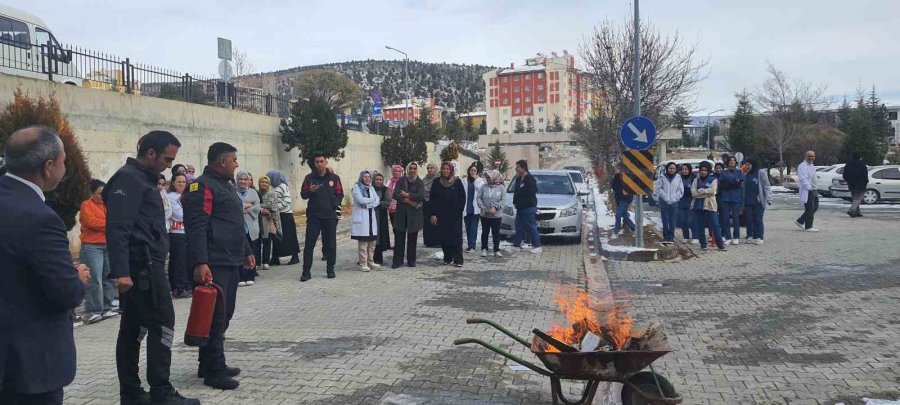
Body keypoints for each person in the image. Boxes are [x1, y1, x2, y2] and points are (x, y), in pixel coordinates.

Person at [105, 130, 198, 404]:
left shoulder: (143, 180)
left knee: (134, 328)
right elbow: (118, 229)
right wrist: (121, 271)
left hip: (147, 265)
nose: (169, 165)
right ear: (150, 153)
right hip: (142, 268)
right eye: (167, 159)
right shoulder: (128, 179)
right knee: (162, 325)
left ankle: (132, 393)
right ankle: (161, 390)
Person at [0, 126, 90, 405]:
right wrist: (78, 278)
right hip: (27, 365)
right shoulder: (40, 218)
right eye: (64, 161)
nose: (65, 168)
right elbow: (64, 292)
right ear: (48, 167)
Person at [183, 142, 255, 390]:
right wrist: (201, 261)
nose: (236, 164)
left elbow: (234, 222)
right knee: (214, 315)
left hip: (230, 257)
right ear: (222, 161)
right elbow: (197, 226)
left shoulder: (226, 185)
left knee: (223, 313)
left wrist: (246, 250)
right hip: (213, 261)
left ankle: (209, 362)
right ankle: (214, 371)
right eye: (233, 160)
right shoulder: (200, 186)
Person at [79, 178, 120, 324]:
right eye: (99, 193)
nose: (102, 196)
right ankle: (92, 311)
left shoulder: (108, 205)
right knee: (94, 278)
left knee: (108, 277)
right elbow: (92, 223)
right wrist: (110, 224)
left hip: (107, 244)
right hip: (92, 246)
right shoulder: (86, 205)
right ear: (92, 193)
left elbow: (117, 220)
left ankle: (106, 307)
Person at [299, 154, 344, 281]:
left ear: (326, 162)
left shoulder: (334, 178)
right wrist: (310, 191)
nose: (319, 164)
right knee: (309, 244)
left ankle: (330, 269)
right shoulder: (309, 178)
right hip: (314, 216)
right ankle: (306, 271)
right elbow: (303, 194)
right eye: (317, 161)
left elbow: (340, 194)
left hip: (329, 216)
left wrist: (333, 204)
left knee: (330, 244)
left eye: (321, 161)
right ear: (314, 163)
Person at [428, 161, 466, 267]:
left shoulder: (457, 182)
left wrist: (459, 210)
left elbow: (462, 197)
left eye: (447, 169)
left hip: (454, 216)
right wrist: (433, 214)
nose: (445, 171)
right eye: (444, 169)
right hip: (441, 215)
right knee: (444, 237)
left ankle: (458, 259)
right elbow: (432, 199)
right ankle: (447, 258)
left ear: (451, 170)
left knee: (456, 237)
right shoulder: (436, 182)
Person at [392, 162, 425, 268]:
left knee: (412, 239)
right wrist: (407, 200)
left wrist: (407, 194)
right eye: (410, 168)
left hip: (413, 215)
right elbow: (395, 194)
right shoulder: (402, 180)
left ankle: (411, 261)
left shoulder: (419, 182)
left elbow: (420, 196)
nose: (412, 170)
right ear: (407, 169)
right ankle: (397, 261)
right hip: (401, 213)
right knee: (399, 238)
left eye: (414, 168)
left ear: (417, 170)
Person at [690, 162, 727, 252]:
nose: (703, 172)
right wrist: (705, 193)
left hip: (710, 205)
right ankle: (703, 245)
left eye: (705, 170)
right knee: (700, 226)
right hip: (698, 205)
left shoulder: (713, 180)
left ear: (708, 171)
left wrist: (702, 191)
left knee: (715, 224)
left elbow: (713, 191)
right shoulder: (696, 180)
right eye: (702, 170)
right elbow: (693, 193)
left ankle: (720, 244)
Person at [167, 173, 193, 299]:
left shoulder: (188, 196)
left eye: (184, 182)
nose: (182, 184)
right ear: (173, 183)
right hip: (176, 233)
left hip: (187, 232)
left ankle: (186, 285)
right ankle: (178, 287)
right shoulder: (170, 197)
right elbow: (179, 215)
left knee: (186, 261)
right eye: (179, 182)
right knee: (178, 261)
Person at [266, 169, 300, 265]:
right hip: (277, 215)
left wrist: (276, 207)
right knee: (276, 236)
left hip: (286, 215)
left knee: (290, 236)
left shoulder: (283, 186)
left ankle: (295, 257)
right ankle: (275, 258)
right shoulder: (273, 188)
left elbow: (287, 200)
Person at [351, 170, 381, 271]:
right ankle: (363, 263)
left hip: (371, 218)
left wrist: (368, 204)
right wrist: (371, 201)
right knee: (363, 242)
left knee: (372, 242)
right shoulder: (357, 188)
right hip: (362, 218)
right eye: (365, 177)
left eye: (369, 177)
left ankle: (371, 261)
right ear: (361, 178)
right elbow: (360, 200)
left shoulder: (371, 188)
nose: (367, 178)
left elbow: (377, 200)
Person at [236, 171, 261, 287]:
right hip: (237, 227)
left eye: (245, 179)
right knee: (239, 252)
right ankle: (240, 276)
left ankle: (250, 275)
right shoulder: (233, 191)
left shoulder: (253, 192)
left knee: (252, 251)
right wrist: (246, 205)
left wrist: (245, 209)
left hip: (252, 227)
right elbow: (233, 206)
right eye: (241, 179)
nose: (243, 181)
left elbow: (257, 207)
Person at [511, 159, 541, 253]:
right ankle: (516, 244)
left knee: (531, 226)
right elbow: (516, 191)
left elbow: (530, 194)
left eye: (518, 167)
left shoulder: (530, 179)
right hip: (520, 207)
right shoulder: (519, 178)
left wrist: (522, 201)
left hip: (528, 207)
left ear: (523, 168)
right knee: (519, 226)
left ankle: (537, 246)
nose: (516, 169)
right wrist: (515, 202)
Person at [742, 158, 772, 245]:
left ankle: (760, 236)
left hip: (758, 201)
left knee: (758, 219)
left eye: (748, 165)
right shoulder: (745, 175)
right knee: (748, 219)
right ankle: (750, 236)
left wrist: (769, 198)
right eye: (746, 165)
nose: (747, 166)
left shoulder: (761, 173)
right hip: (748, 201)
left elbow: (766, 186)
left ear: (753, 165)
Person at [653, 162, 683, 245]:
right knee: (665, 220)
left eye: (673, 168)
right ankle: (665, 237)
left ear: (676, 169)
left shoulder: (678, 177)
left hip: (674, 202)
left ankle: (671, 237)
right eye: (670, 168)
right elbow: (658, 189)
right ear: (667, 169)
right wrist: (664, 196)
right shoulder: (662, 177)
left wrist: (675, 198)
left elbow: (680, 190)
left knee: (673, 221)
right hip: (664, 202)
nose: (672, 170)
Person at [477, 169, 505, 257]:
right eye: (486, 178)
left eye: (489, 177)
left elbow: (503, 200)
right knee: (485, 232)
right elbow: (478, 197)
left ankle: (496, 249)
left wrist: (496, 208)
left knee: (495, 233)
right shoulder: (483, 187)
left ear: (494, 177)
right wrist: (482, 206)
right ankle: (484, 248)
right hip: (485, 214)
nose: (487, 179)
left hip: (496, 215)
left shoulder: (501, 187)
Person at [718, 156, 745, 244]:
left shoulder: (739, 172)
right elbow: (721, 185)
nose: (732, 162)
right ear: (728, 162)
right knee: (725, 218)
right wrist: (733, 183)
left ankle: (736, 237)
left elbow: (739, 184)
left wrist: (730, 183)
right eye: (731, 160)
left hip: (736, 198)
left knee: (735, 218)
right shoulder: (723, 173)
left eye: (734, 161)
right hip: (725, 198)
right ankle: (728, 237)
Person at [257, 175, 281, 270]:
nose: (264, 184)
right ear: (259, 183)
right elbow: (254, 205)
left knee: (267, 241)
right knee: (258, 242)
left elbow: (274, 208)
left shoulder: (272, 194)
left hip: (269, 220)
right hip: (258, 220)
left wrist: (261, 208)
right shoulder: (256, 193)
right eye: (262, 182)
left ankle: (266, 261)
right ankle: (258, 262)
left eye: (266, 182)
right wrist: (260, 209)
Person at [461, 162, 485, 253]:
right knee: (467, 227)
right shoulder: (464, 180)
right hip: (466, 208)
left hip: (476, 208)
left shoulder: (480, 181)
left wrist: (476, 180)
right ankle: (469, 245)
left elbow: (481, 191)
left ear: (477, 172)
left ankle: (472, 246)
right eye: (471, 170)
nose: (473, 172)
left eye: (475, 170)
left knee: (473, 228)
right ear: (469, 171)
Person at [795, 150, 819, 232]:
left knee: (815, 207)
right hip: (808, 190)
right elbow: (803, 178)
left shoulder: (812, 166)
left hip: (814, 189)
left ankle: (800, 221)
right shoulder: (802, 166)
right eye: (809, 156)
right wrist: (809, 188)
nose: (811, 158)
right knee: (810, 208)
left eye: (812, 156)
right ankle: (808, 226)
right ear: (805, 156)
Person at [372, 172, 392, 265]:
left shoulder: (385, 190)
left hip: (381, 217)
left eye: (380, 180)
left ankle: (378, 258)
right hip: (370, 216)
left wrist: (377, 203)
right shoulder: (370, 189)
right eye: (377, 179)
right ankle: (368, 257)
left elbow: (387, 202)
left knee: (380, 237)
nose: (379, 181)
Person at [610, 166, 636, 235]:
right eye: (621, 169)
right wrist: (618, 190)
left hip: (625, 199)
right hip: (619, 198)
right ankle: (634, 228)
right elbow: (613, 185)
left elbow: (632, 188)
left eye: (623, 170)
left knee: (618, 215)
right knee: (625, 215)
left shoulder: (629, 177)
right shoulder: (617, 176)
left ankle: (616, 230)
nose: (622, 171)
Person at [843, 151, 869, 218]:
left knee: (854, 198)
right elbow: (865, 175)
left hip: (851, 184)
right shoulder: (862, 165)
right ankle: (852, 210)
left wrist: (848, 180)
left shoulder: (848, 164)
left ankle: (857, 212)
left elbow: (845, 174)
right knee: (858, 199)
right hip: (861, 184)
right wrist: (866, 181)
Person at [421, 163, 439, 248]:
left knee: (436, 222)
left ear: (435, 169)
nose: (429, 169)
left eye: (432, 168)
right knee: (427, 223)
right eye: (428, 168)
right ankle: (428, 241)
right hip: (426, 203)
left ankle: (436, 241)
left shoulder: (439, 179)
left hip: (436, 203)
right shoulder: (424, 179)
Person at [677, 164, 696, 244]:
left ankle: (695, 236)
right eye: (683, 169)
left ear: (689, 170)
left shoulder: (693, 178)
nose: (684, 171)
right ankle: (686, 236)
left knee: (691, 220)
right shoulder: (678, 178)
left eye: (686, 169)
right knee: (683, 220)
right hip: (681, 201)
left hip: (691, 200)